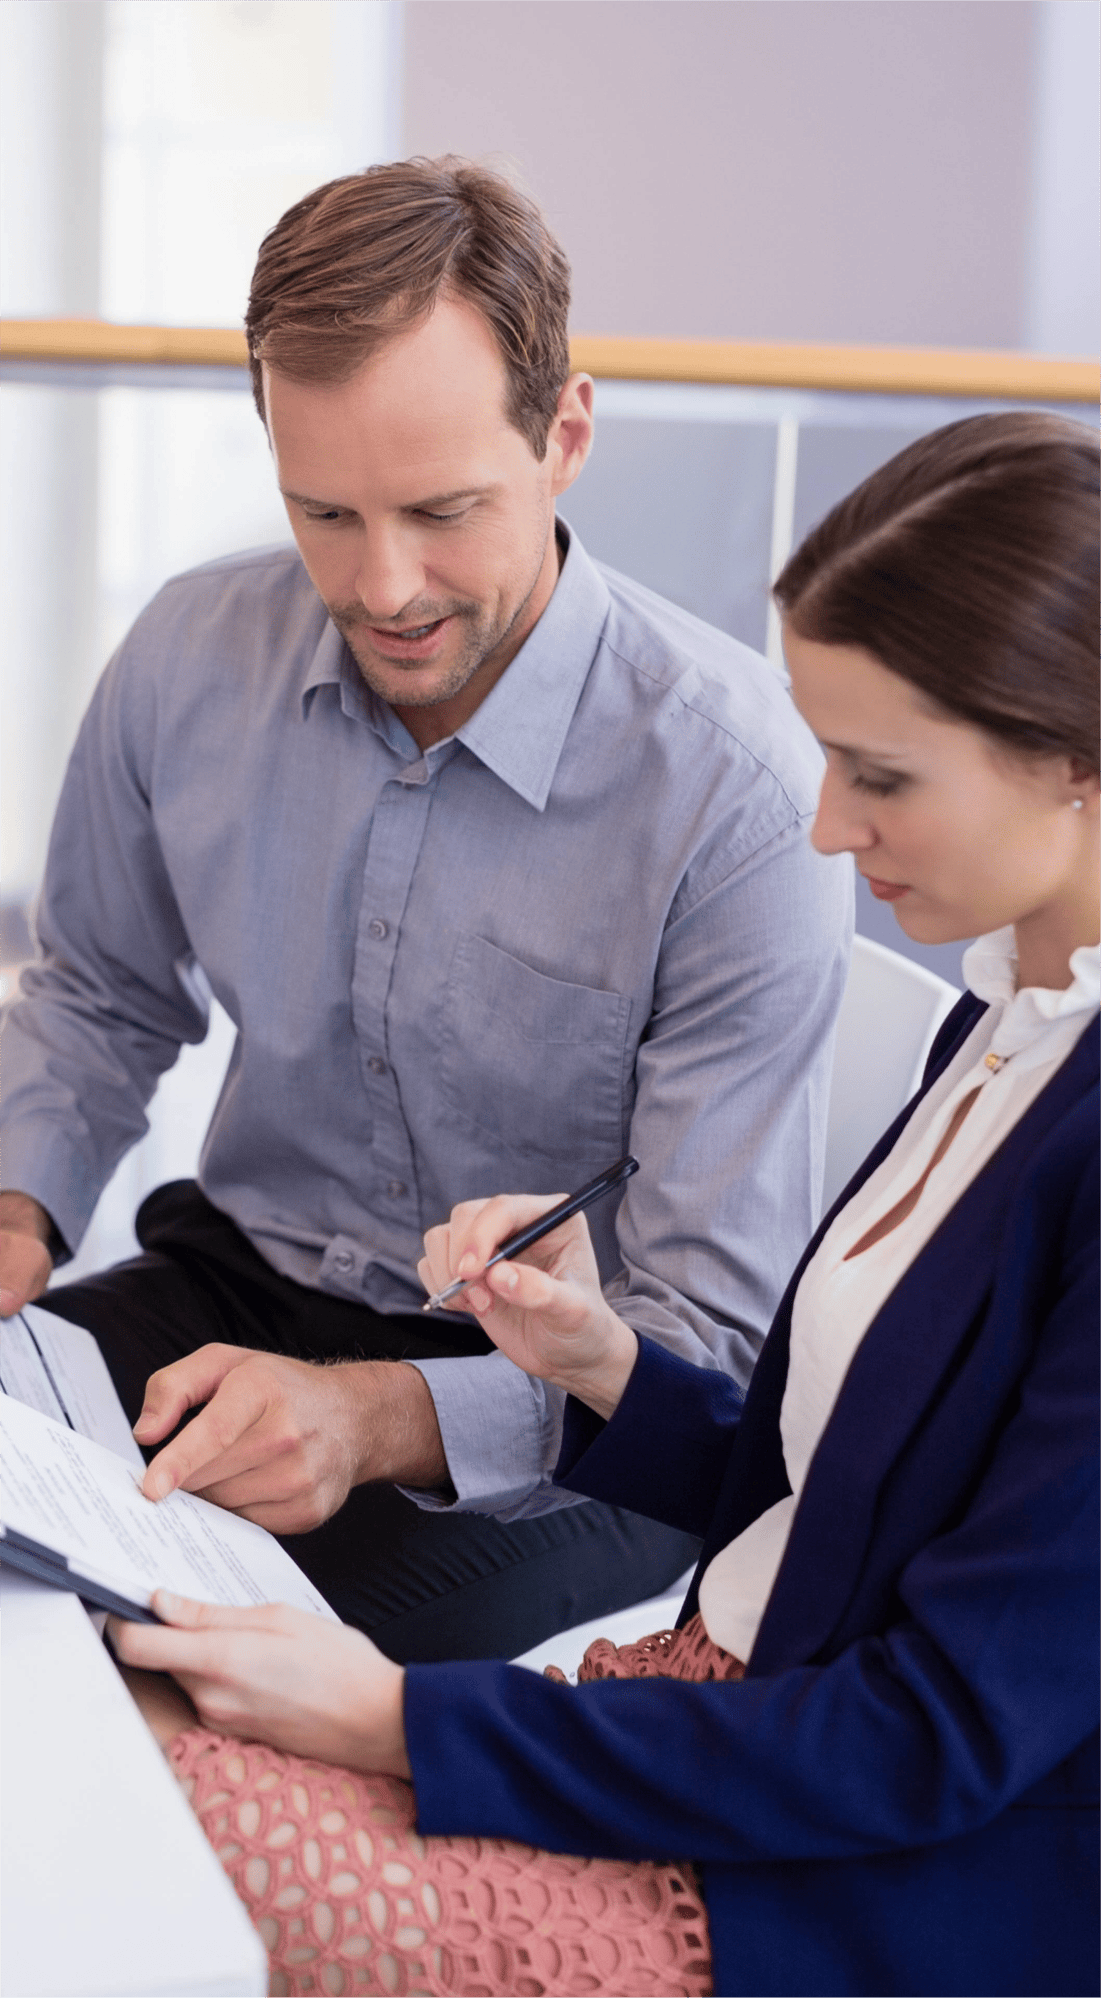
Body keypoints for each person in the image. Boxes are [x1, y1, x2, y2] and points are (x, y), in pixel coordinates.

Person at [110, 411, 1099, 1998]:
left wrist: (389, 1715)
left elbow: (932, 1738)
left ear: (1078, 757)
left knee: (149, 1809)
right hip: (707, 1721)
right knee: (126, 1713)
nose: (828, 827)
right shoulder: (1009, 1027)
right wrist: (594, 1361)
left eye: (882, 775)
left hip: (829, 1864)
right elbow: (817, 1488)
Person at [0, 158, 850, 1658]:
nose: (383, 584)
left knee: (187, 1668)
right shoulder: (189, 658)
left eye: (441, 511)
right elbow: (100, 995)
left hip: (568, 1416)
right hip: (232, 1285)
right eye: (323, 510)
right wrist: (18, 1209)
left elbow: (702, 1339)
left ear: (564, 434)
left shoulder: (738, 790)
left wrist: (375, 1414)